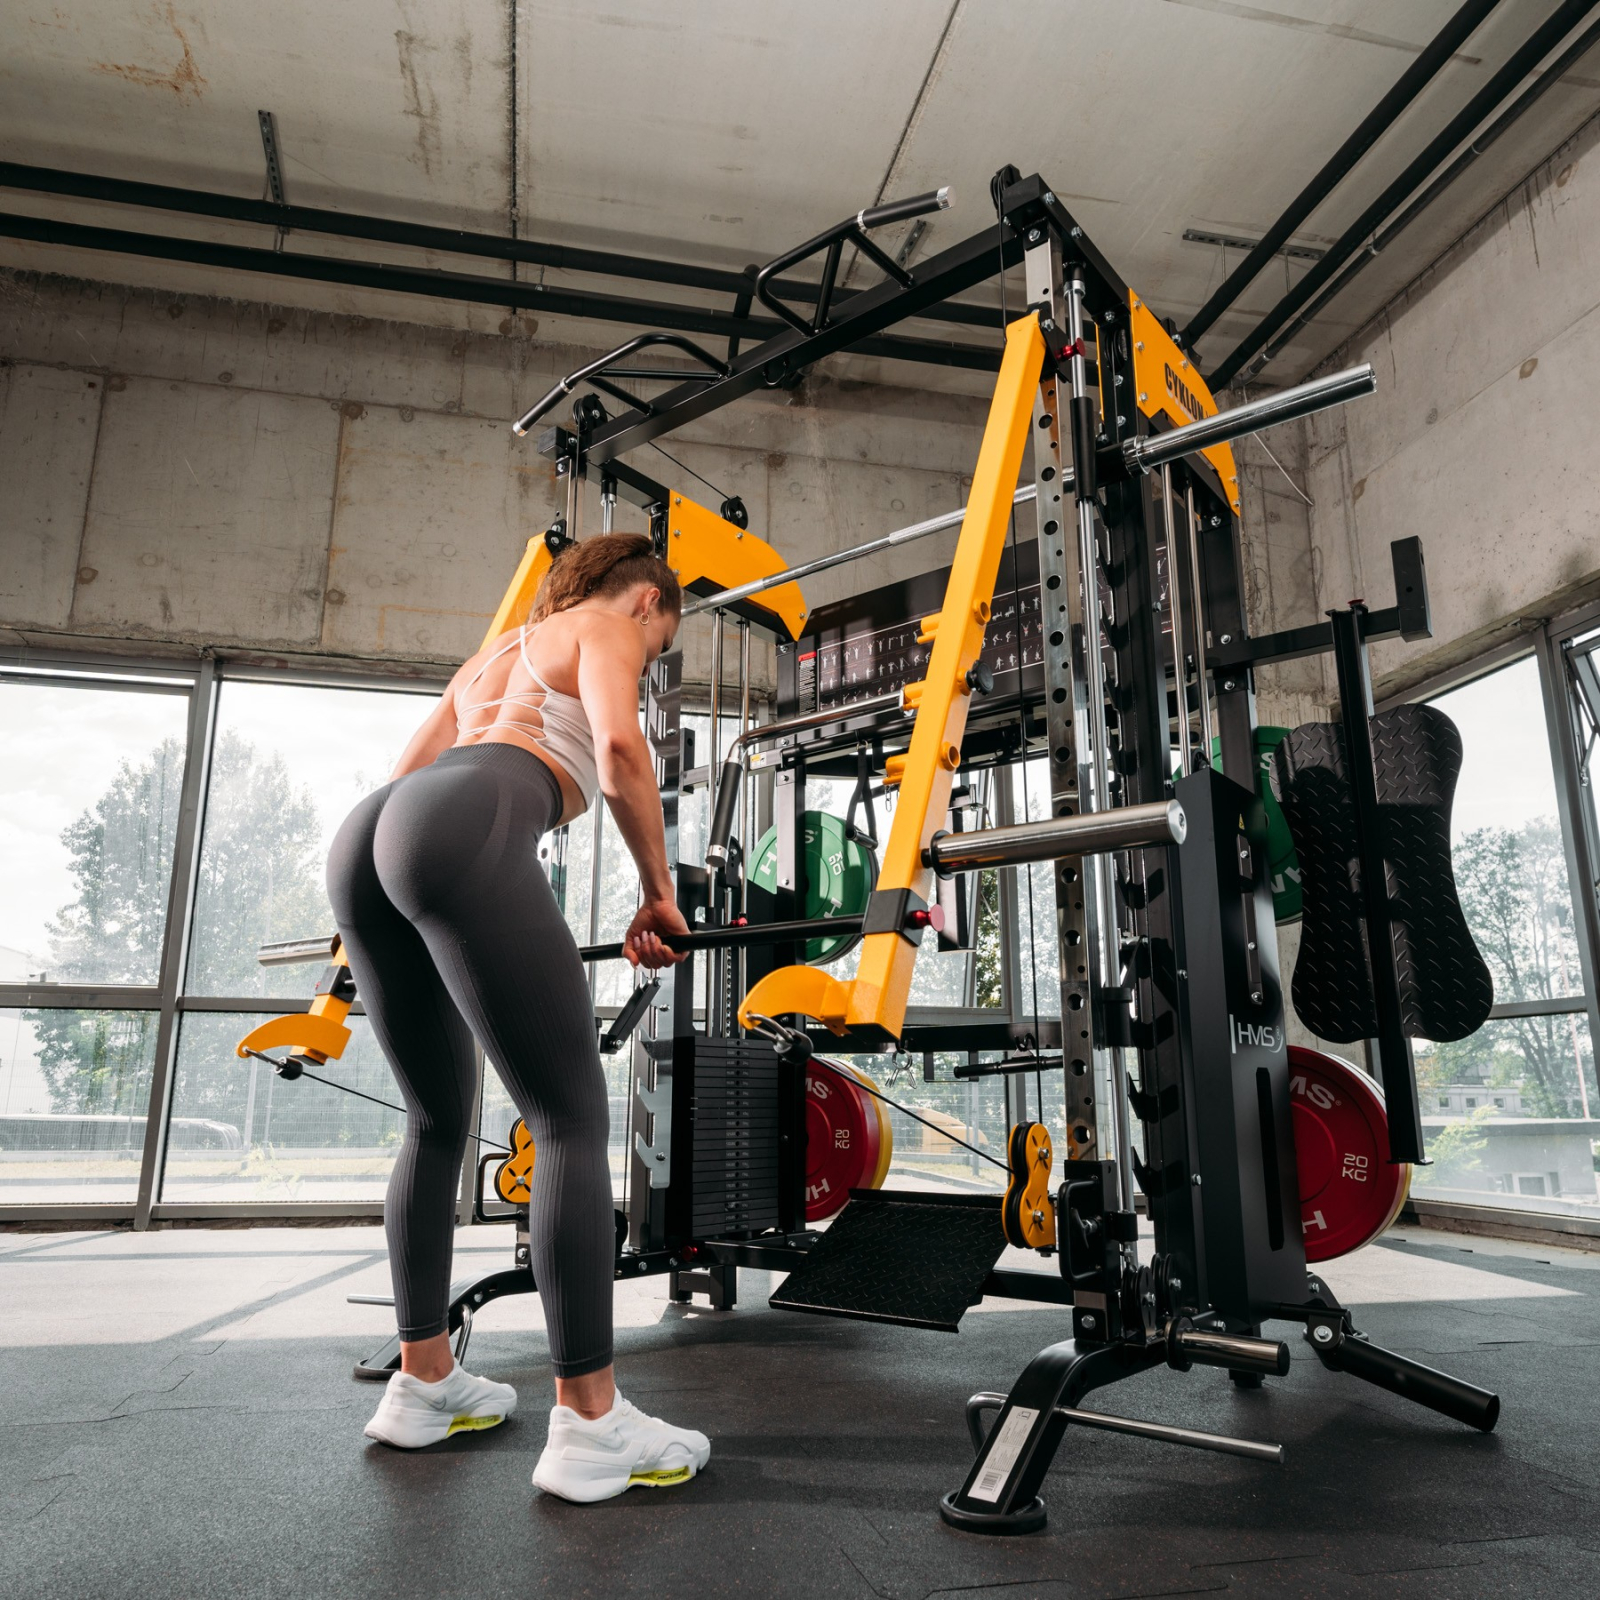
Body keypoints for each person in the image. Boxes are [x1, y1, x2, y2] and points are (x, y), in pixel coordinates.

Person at [326, 532, 710, 1503]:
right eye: (661, 641)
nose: (649, 654)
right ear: (646, 601)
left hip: (374, 833)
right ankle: (591, 1424)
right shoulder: (607, 624)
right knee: (569, 1118)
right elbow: (618, 749)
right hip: (467, 821)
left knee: (432, 1121)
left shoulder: (492, 654)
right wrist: (658, 892)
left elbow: (412, 767)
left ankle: (424, 1383)